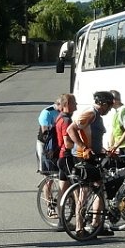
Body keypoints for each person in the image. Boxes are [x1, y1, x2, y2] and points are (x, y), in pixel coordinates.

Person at [66, 90, 116, 237]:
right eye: (110, 106)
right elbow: (71, 129)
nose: (110, 109)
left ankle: (96, 224)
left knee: (98, 188)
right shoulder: (91, 113)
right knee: (84, 191)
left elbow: (92, 137)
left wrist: (103, 150)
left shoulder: (96, 115)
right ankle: (80, 228)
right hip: (84, 157)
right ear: (104, 104)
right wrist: (84, 147)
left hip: (93, 156)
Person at [55, 92, 78, 220]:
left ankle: (61, 220)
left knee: (62, 189)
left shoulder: (59, 117)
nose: (76, 105)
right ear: (67, 104)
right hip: (67, 157)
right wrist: (80, 143)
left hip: (61, 156)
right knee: (77, 188)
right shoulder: (66, 120)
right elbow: (67, 143)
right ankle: (80, 219)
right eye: (74, 103)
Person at [36, 98, 61, 174]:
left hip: (57, 140)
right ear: (58, 105)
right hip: (46, 140)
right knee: (46, 168)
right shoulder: (47, 112)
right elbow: (45, 130)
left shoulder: (64, 111)